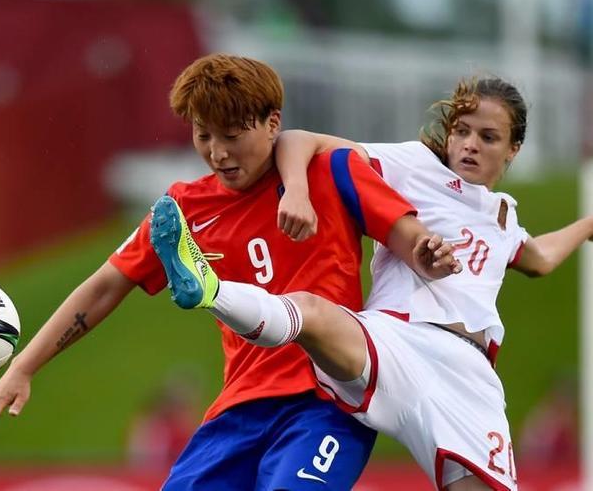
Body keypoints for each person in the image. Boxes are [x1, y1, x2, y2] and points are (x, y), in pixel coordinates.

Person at [0, 53, 458, 490]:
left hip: (328, 402)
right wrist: (23, 367)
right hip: (238, 409)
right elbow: (103, 287)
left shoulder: (330, 172)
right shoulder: (183, 209)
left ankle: (211, 289)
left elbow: (408, 238)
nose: (218, 153)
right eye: (203, 135)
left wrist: (430, 254)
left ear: (273, 124)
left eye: (232, 135)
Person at [152, 76, 593, 490]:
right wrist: (297, 191)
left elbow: (540, 258)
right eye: (462, 131)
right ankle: (209, 289)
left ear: (513, 149)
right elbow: (298, 141)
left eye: (488, 137)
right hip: (397, 341)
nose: (469, 145)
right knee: (313, 312)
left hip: (468, 378)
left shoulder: (504, 216)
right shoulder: (417, 165)